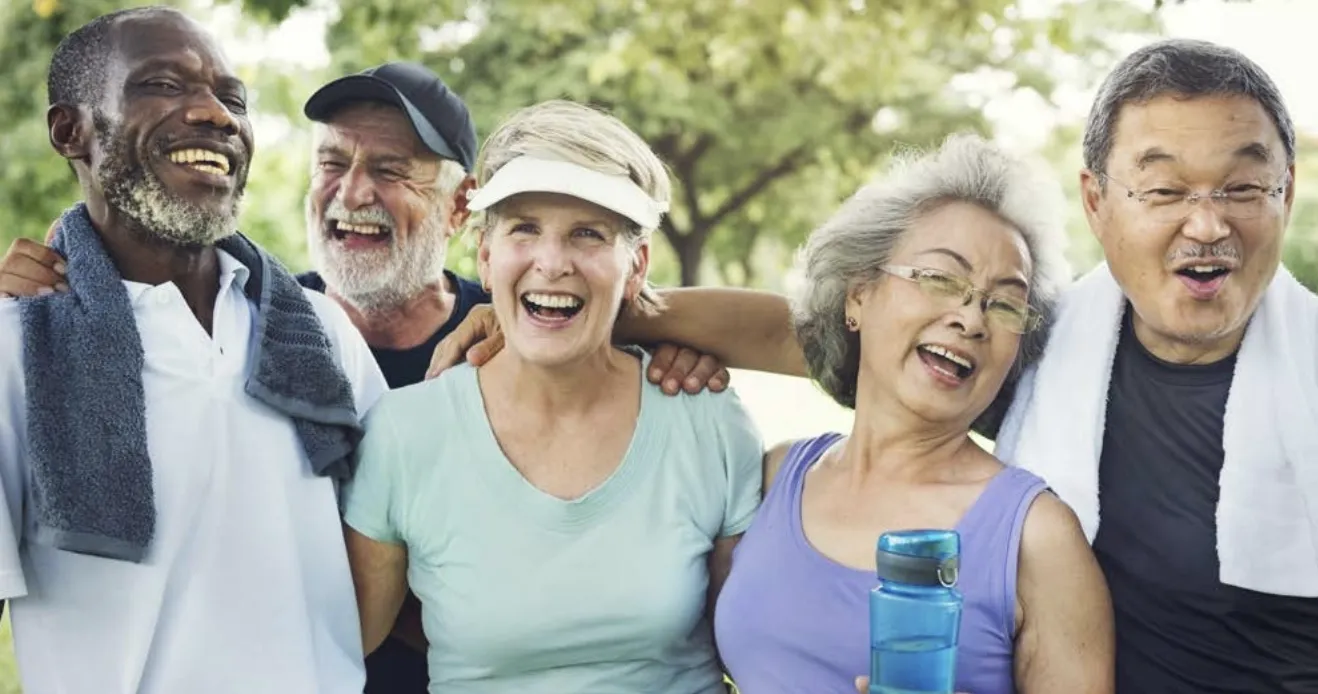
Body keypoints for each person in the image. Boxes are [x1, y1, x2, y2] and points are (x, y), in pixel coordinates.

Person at [0, 59, 731, 693]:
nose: (352, 192)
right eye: (332, 163)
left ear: (459, 209)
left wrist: (639, 328)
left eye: (389, 169)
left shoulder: (517, 330)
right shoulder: (271, 332)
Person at [0, 7, 385, 694]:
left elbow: (401, 535)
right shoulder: (16, 342)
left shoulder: (320, 333)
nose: (215, 115)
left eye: (233, 98)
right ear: (70, 131)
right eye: (161, 85)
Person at [341, 99, 764, 693]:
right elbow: (339, 639)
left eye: (588, 234)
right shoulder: (406, 432)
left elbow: (760, 647)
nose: (552, 262)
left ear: (636, 266)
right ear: (486, 257)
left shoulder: (705, 415)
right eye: (525, 229)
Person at [711, 133, 1112, 694]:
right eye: (941, 279)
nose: (971, 319)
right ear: (858, 296)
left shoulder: (1037, 537)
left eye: (1004, 304)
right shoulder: (774, 477)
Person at [993, 39, 1318, 692]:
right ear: (1097, 202)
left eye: (1244, 187)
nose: (1205, 225)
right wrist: (718, 333)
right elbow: (854, 338)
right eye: (1165, 189)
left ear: (1286, 196)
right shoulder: (1029, 353)